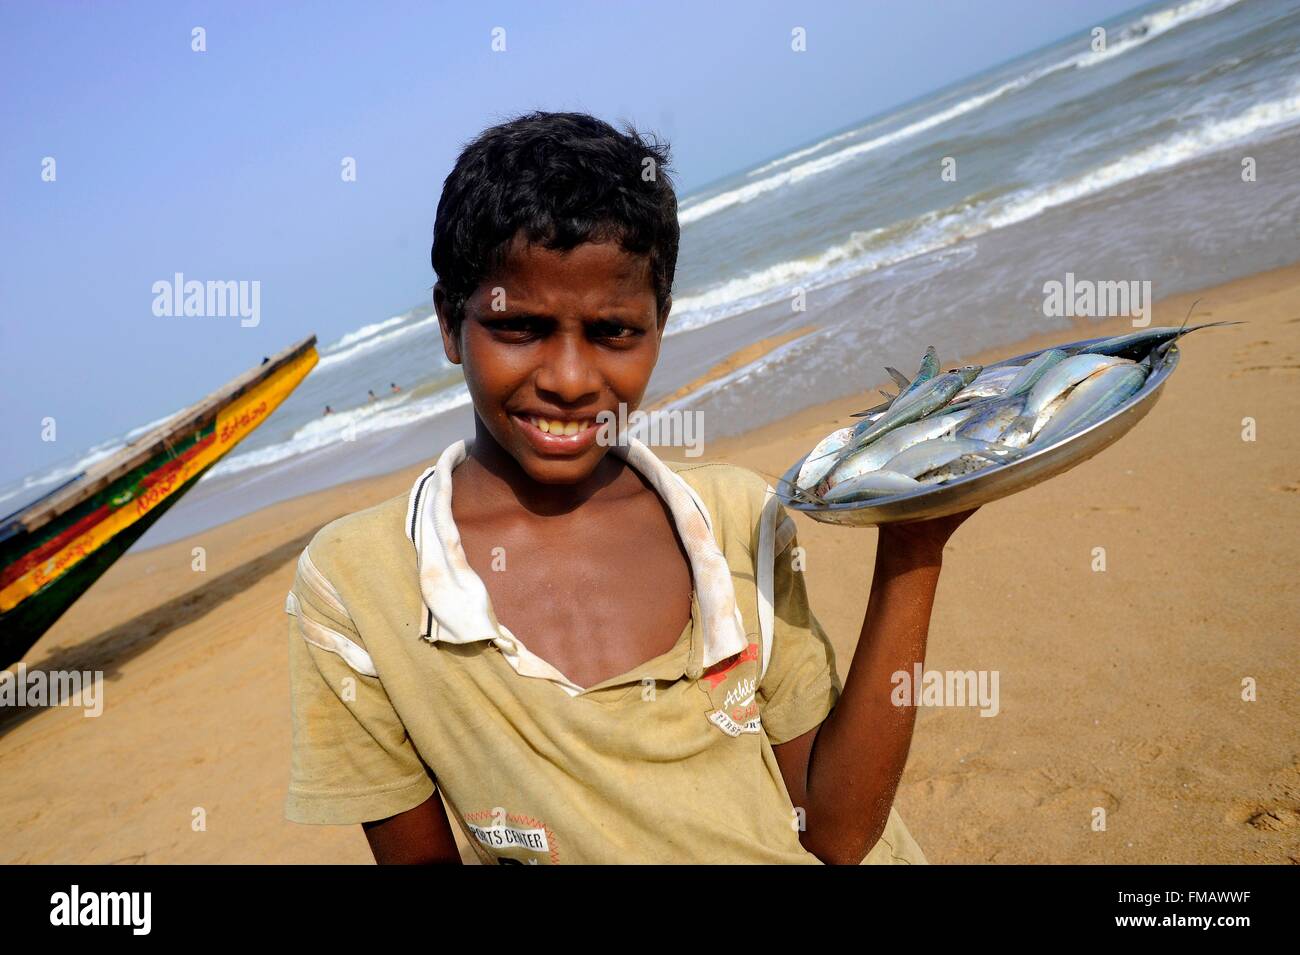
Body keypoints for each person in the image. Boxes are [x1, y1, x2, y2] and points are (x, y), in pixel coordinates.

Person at [283, 111, 974, 865]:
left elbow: (839, 830)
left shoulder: (738, 518)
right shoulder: (358, 586)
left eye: (614, 332)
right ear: (452, 322)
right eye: (522, 329)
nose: (571, 381)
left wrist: (914, 546)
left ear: (660, 323)